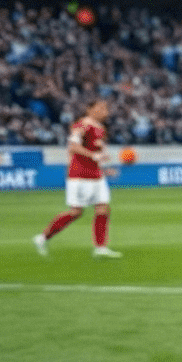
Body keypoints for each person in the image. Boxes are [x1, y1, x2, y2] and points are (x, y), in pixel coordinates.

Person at [35, 98, 122, 258]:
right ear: (90, 109)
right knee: (76, 212)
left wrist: (106, 168)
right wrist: (93, 156)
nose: (105, 112)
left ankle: (100, 248)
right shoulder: (82, 125)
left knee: (103, 209)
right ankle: (42, 237)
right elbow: (73, 146)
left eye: (106, 109)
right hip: (80, 175)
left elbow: (98, 154)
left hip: (96, 175)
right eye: (101, 108)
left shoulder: (101, 128)